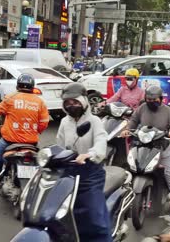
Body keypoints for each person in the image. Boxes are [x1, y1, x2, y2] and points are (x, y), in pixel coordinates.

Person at [0, 74, 49, 200]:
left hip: (9, 141)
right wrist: (34, 132)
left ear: (18, 85)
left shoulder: (11, 98)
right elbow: (44, 122)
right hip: (31, 143)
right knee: (40, 164)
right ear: (32, 87)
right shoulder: (39, 102)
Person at [56, 82, 111, 242]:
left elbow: (101, 140)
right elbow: (59, 144)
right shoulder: (65, 122)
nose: (72, 105)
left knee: (95, 218)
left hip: (90, 172)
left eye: (75, 102)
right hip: (69, 171)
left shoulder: (94, 121)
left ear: (84, 101)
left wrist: (89, 154)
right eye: (68, 103)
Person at [121, 85, 170, 205]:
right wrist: (128, 129)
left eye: (154, 100)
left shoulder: (167, 110)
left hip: (161, 145)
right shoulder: (142, 108)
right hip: (143, 144)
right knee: (131, 166)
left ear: (160, 99)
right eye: (149, 100)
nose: (151, 102)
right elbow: (134, 120)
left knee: (169, 172)